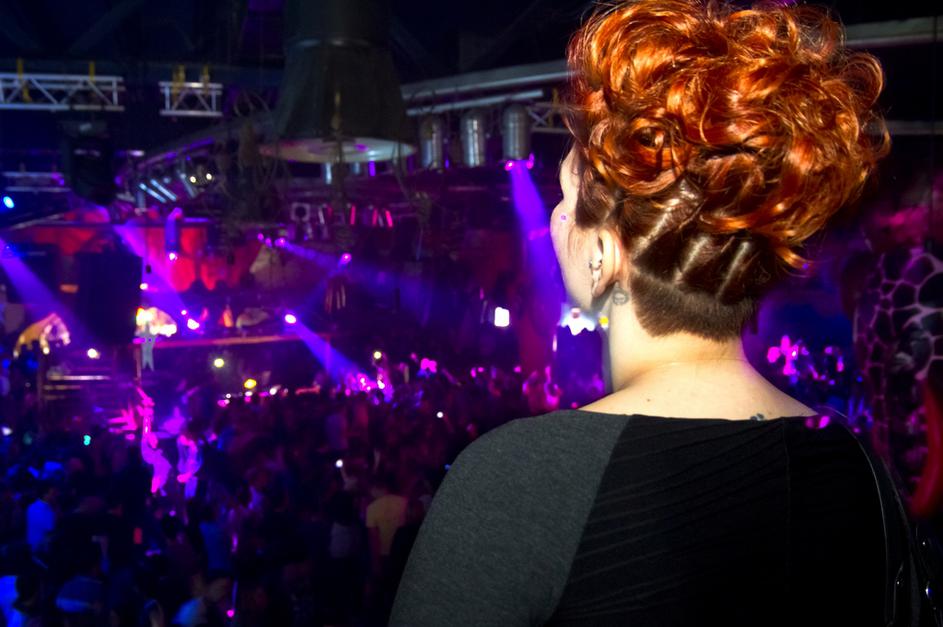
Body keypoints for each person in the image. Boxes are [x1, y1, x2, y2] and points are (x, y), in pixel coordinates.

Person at [390, 0, 890, 625]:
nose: (554, 219)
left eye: (565, 196)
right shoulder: (859, 467)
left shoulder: (522, 479)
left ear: (602, 256)